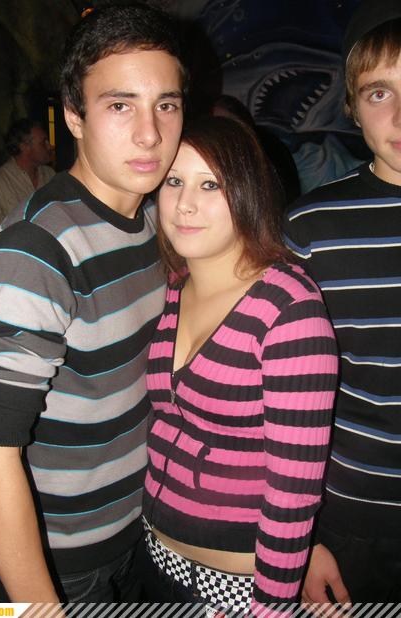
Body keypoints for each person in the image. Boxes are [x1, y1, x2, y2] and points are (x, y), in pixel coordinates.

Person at [0, 2, 185, 603]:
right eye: (120, 105)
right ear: (73, 116)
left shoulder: (153, 222)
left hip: (141, 526)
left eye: (166, 104)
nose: (150, 133)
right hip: (68, 560)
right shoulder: (36, 249)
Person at [139, 115, 339, 614]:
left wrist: (270, 608)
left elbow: (293, 494)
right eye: (173, 182)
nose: (185, 203)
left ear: (247, 192)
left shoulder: (288, 309)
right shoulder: (175, 286)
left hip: (232, 589)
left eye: (210, 184)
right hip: (154, 557)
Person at [284, 0, 401, 604]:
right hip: (349, 523)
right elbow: (274, 400)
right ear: (353, 107)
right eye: (380, 93)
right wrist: (300, 539)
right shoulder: (309, 229)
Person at [0, 119, 55, 260]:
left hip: (50, 264)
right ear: (25, 147)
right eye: (43, 142)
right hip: (14, 265)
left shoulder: (50, 176)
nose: (49, 146)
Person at [212, 94, 301, 205]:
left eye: (224, 124)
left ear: (240, 121)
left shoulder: (261, 145)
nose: (218, 132)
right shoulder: (263, 140)